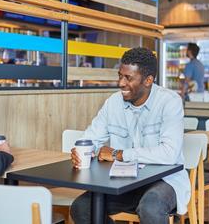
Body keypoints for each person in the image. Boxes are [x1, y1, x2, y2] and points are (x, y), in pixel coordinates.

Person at [70, 47, 190, 224]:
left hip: (164, 181)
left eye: (128, 78)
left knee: (150, 207)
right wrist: (81, 150)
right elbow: (91, 137)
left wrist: (118, 154)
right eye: (120, 76)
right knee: (81, 208)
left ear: (148, 80)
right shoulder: (113, 103)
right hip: (124, 181)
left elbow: (169, 153)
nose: (121, 83)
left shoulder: (169, 102)